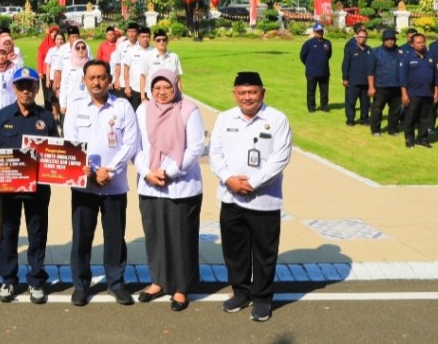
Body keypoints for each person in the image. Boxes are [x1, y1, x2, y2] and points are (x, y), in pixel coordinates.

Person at [209, 71, 293, 323]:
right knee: (235, 250)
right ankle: (241, 291)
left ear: (262, 93)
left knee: (264, 252)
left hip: (264, 199)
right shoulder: (224, 118)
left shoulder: (277, 119)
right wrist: (229, 179)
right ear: (234, 94)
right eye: (242, 93)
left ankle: (262, 297)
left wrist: (253, 183)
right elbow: (215, 153)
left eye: (253, 92)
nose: (248, 97)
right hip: (230, 196)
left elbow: (280, 157)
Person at [0, 66, 57, 304]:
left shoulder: (47, 118)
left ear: (36, 88)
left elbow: (57, 153)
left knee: (37, 233)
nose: (25, 90)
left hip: (38, 189)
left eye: (30, 85)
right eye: (20, 86)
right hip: (8, 189)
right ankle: (8, 279)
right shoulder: (1, 117)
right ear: (14, 88)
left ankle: (36, 280)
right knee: (8, 233)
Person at [63, 59, 138, 307]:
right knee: (82, 237)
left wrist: (111, 171)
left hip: (114, 185)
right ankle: (81, 285)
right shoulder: (75, 107)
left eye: (102, 77)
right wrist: (93, 173)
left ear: (109, 79)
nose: (97, 82)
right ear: (84, 80)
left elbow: (130, 143)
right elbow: (70, 141)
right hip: (84, 184)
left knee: (115, 237)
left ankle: (116, 283)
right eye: (92, 77)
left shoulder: (123, 107)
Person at [134, 70, 205, 312]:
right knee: (155, 236)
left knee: (181, 238)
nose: (162, 92)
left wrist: (168, 171)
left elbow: (195, 147)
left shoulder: (188, 109)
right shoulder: (143, 110)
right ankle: (158, 281)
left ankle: (181, 288)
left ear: (175, 87)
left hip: (181, 186)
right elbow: (135, 146)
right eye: (157, 88)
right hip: (150, 185)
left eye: (167, 87)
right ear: (150, 90)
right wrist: (147, 172)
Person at [400, 32, 438, 149]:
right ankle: (410, 139)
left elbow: (436, 77)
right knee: (411, 117)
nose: (421, 45)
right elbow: (402, 78)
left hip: (427, 93)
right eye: (418, 43)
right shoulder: (407, 58)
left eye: (423, 42)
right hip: (413, 94)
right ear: (412, 45)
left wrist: (436, 92)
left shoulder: (430, 57)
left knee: (426, 118)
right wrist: (404, 94)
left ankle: (422, 139)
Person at [368, 29, 402, 137]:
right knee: (377, 109)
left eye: (392, 39)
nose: (390, 41)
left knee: (395, 110)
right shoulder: (375, 52)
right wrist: (371, 87)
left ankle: (393, 129)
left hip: (397, 86)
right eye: (387, 39)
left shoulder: (400, 52)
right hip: (381, 86)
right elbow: (370, 71)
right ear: (383, 40)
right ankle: (375, 129)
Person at [139, 30, 183, 101]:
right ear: (154, 42)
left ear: (167, 41)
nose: (161, 42)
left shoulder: (174, 57)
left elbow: (178, 79)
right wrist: (143, 97)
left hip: (171, 98)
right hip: (152, 98)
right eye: (158, 40)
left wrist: (180, 97)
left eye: (164, 39)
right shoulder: (147, 56)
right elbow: (143, 77)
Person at [341, 28, 371, 127]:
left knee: (365, 103)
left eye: (364, 37)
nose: (363, 39)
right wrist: (345, 78)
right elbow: (345, 64)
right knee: (351, 102)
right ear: (356, 38)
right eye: (360, 37)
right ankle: (350, 120)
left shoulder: (369, 50)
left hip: (366, 82)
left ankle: (364, 119)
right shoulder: (351, 50)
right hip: (353, 81)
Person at [299, 24, 332, 113]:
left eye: (321, 31)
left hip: (324, 71)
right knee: (311, 91)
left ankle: (324, 106)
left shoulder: (327, 43)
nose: (320, 33)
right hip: (312, 72)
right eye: (317, 31)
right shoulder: (308, 43)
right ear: (314, 32)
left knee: (324, 91)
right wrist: (309, 64)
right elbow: (302, 56)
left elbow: (328, 55)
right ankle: (311, 107)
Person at [55, 36, 90, 113]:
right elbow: (64, 86)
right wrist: (63, 104)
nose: (81, 50)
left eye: (83, 48)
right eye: (78, 48)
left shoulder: (91, 65)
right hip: (72, 102)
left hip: (88, 101)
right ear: (74, 49)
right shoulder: (68, 65)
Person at [122, 26, 151, 110]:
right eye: (143, 37)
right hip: (135, 89)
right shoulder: (131, 51)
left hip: (150, 90)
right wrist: (127, 87)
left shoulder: (154, 51)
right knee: (134, 113)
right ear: (138, 37)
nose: (145, 39)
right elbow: (126, 69)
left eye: (147, 37)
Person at [36, 25, 60, 108]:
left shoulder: (60, 43)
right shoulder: (44, 44)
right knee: (47, 95)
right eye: (52, 32)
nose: (54, 34)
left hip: (57, 73)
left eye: (55, 32)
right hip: (46, 72)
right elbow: (40, 59)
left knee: (57, 94)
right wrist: (40, 72)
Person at [43, 32, 65, 119]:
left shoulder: (68, 51)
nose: (60, 41)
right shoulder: (51, 51)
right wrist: (47, 80)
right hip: (53, 78)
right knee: (54, 99)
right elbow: (48, 66)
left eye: (61, 39)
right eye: (58, 39)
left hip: (64, 79)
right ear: (55, 41)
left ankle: (62, 117)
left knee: (63, 98)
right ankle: (56, 116)